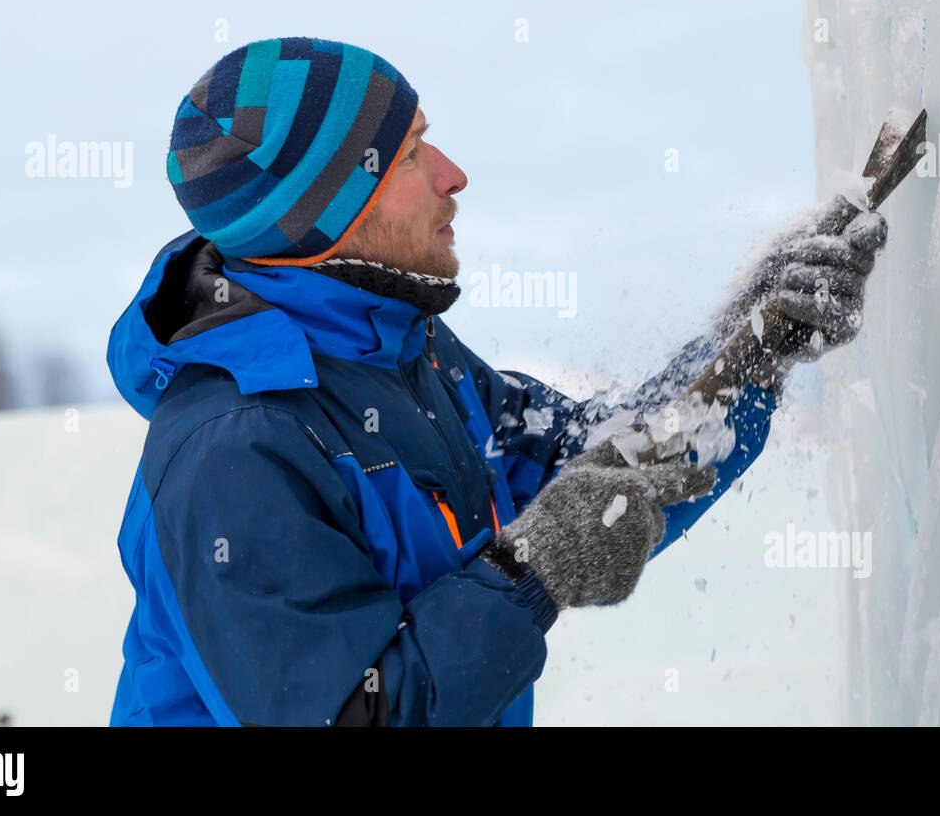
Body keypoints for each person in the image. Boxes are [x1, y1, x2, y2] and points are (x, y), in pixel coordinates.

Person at [106, 36, 887, 726]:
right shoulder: (236, 452)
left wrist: (751, 349)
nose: (454, 175)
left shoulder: (402, 351)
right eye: (411, 154)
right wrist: (531, 569)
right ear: (322, 214)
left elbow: (584, 468)